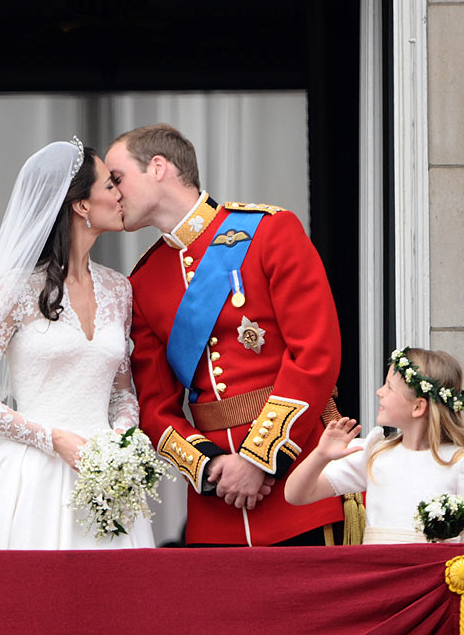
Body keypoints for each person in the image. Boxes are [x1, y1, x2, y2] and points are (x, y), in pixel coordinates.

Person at [105, 124, 344, 546]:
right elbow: (155, 407)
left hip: (298, 486)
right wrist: (211, 467)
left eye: (117, 178)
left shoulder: (270, 232)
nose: (111, 192)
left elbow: (315, 356)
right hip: (217, 506)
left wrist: (258, 459)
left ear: (158, 167)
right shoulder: (143, 281)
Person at [0, 139, 154, 549]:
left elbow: (121, 392)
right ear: (81, 205)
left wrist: (121, 442)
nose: (120, 195)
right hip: (30, 474)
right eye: (110, 186)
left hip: (106, 479)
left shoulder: (119, 289)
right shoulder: (15, 289)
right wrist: (52, 438)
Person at [284, 347, 464, 543]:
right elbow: (296, 495)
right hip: (379, 580)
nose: (380, 392)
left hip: (434, 583)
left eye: (389, 387)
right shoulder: (374, 453)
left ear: (418, 407)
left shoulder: (462, 461)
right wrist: (321, 456)